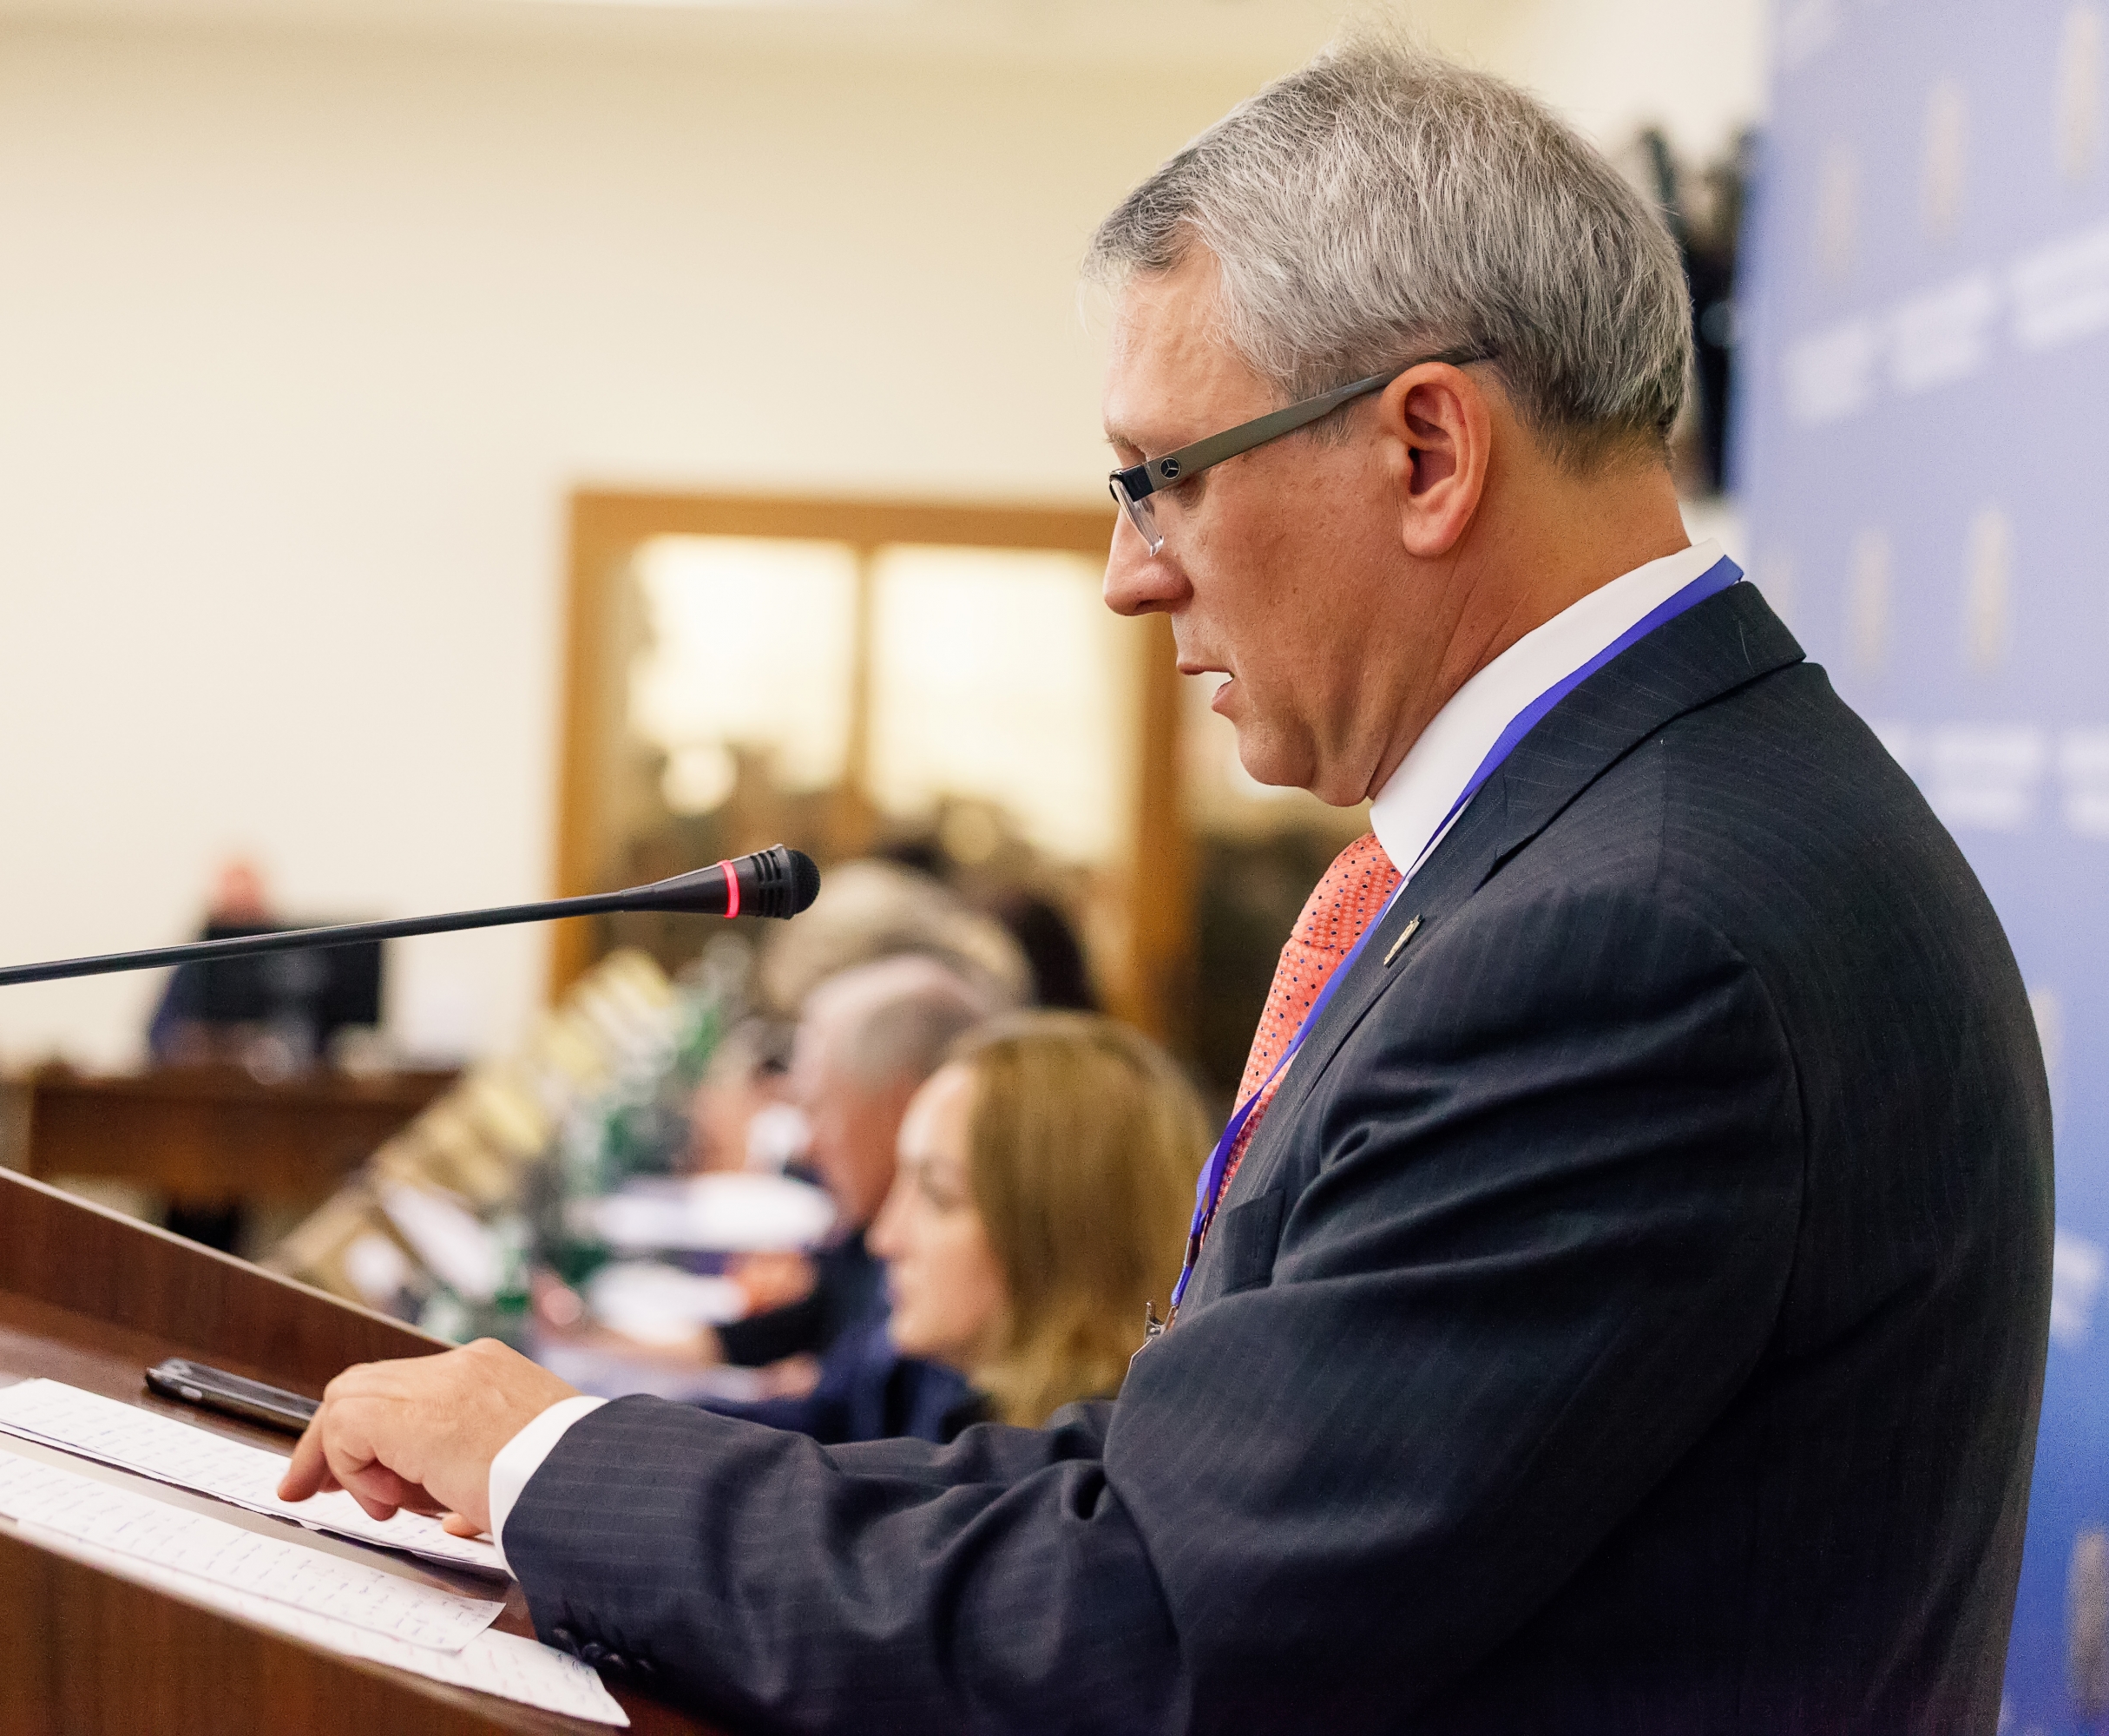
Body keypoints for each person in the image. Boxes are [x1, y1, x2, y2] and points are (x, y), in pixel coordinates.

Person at [281, 41, 2052, 1733]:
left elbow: (1155, 1623)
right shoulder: (1638, 828)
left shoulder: (1634, 933)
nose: (1131, 573)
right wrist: (577, 1454)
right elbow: (1191, 1479)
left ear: (1426, 453)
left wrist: (553, 1464)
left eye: (1160, 481)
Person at [869, 1012, 1203, 1429]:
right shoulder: (967, 1407)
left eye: (939, 1197)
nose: (884, 1238)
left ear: (1064, 1233)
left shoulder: (1107, 1457)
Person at [709, 953, 1005, 1374]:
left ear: (901, 1105)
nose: (808, 1146)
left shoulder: (947, 1311)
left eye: (823, 1109)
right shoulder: (864, 1249)